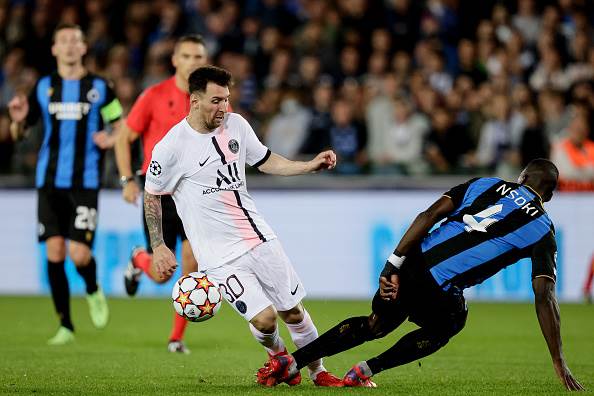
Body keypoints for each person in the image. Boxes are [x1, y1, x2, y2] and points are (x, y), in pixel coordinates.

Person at [258, 159, 585, 391]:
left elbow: (429, 215)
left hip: (411, 264)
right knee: (451, 322)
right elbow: (544, 295)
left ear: (522, 176)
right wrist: (558, 358)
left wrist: (393, 263)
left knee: (376, 323)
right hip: (439, 288)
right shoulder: (543, 229)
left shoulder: (485, 184)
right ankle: (365, 370)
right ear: (551, 195)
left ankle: (291, 362)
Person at [144, 65, 342, 387]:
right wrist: (158, 244)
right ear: (194, 101)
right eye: (216, 101)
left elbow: (266, 160)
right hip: (219, 258)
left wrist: (308, 165)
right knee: (265, 320)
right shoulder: (171, 147)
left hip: (259, 238)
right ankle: (280, 359)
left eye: (226, 99)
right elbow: (151, 194)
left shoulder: (237, 126)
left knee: (292, 311)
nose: (223, 107)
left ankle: (318, 372)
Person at [8, 23, 122, 345]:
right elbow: (21, 133)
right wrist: (16, 122)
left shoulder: (101, 87)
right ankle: (66, 326)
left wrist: (111, 137)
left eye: (76, 40)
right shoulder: (44, 87)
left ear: (84, 48)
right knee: (55, 251)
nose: (70, 46)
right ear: (55, 49)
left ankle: (92, 287)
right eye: (64, 41)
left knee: (79, 254)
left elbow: (121, 126)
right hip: (49, 182)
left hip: (85, 182)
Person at [114, 35, 207, 354]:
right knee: (160, 273)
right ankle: (138, 259)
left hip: (195, 195)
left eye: (199, 56)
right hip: (159, 195)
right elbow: (123, 138)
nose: (193, 61)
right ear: (175, 61)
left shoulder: (212, 99)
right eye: (187, 56)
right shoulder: (154, 96)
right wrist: (127, 179)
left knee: (191, 260)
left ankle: (176, 338)